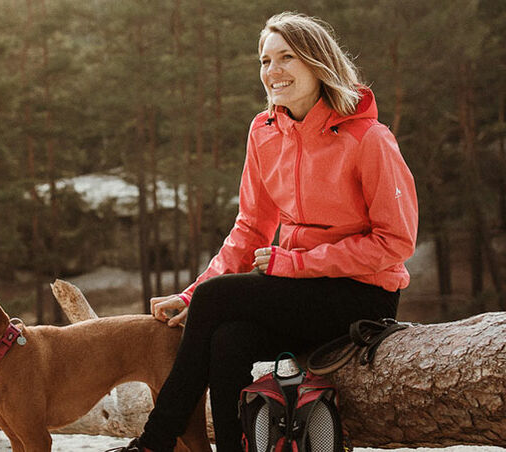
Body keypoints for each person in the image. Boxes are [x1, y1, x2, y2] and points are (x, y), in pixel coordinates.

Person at [110, 12, 418, 452]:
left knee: (217, 299)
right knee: (227, 339)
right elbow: (251, 227)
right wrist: (190, 294)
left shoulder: (368, 139)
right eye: (264, 60)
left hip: (361, 295)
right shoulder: (264, 131)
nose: (272, 72)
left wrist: (295, 263)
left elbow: (395, 242)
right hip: (296, 292)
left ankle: (153, 443)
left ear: (317, 62)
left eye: (286, 57)